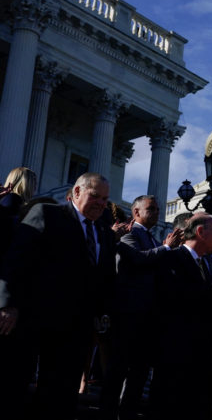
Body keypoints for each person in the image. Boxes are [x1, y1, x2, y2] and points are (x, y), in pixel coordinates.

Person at [0, 172, 116, 420]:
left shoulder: (104, 232)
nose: (101, 204)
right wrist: (7, 304)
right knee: (14, 389)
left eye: (105, 199)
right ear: (76, 192)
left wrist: (101, 319)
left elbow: (103, 279)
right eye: (95, 196)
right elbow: (17, 260)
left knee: (60, 396)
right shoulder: (47, 214)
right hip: (34, 319)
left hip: (76, 328)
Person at [148, 213, 212, 420]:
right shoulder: (172, 258)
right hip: (176, 354)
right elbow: (178, 301)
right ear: (201, 232)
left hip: (204, 355)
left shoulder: (210, 265)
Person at [100, 195, 162, 420]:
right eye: (151, 208)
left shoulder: (154, 239)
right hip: (127, 315)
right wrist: (166, 249)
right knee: (117, 372)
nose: (157, 212)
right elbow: (138, 260)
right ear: (136, 212)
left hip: (147, 319)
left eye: (157, 208)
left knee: (139, 373)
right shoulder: (128, 234)